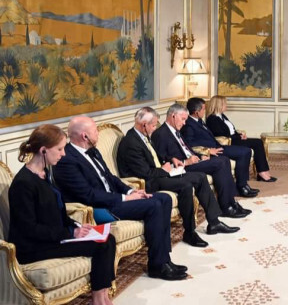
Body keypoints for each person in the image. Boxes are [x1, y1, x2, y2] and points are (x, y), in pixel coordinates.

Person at [53, 116, 187, 281]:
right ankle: (158, 266)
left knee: (164, 199)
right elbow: (88, 195)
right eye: (95, 131)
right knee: (154, 205)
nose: (98, 134)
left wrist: (131, 192)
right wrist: (123, 198)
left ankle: (164, 259)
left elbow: (111, 177)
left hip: (114, 199)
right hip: (101, 208)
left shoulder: (93, 150)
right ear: (84, 136)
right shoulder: (66, 160)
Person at [9, 124, 116, 305]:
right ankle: (98, 300)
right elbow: (29, 229)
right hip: (33, 247)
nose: (63, 154)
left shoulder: (45, 172)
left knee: (108, 239)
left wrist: (78, 226)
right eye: (59, 149)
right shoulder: (23, 184)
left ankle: (103, 296)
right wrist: (70, 234)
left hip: (53, 237)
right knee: (101, 245)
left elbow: (57, 211)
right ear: (43, 150)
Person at [116, 106, 240, 242]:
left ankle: (214, 222)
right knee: (185, 185)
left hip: (159, 174)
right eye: (153, 125)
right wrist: (165, 170)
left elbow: (156, 158)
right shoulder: (131, 143)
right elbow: (145, 173)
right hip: (149, 181)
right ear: (144, 125)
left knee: (200, 177)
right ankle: (189, 232)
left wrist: (171, 160)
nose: (154, 128)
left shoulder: (144, 135)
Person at [151, 104, 252, 218]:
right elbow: (162, 158)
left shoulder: (176, 130)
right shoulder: (160, 134)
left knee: (223, 160)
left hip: (193, 161)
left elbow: (187, 148)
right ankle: (226, 207)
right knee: (220, 162)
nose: (184, 123)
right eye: (183, 119)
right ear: (173, 116)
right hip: (183, 167)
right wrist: (186, 161)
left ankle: (231, 203)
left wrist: (200, 155)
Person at [182, 97, 258, 197]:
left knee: (246, 151)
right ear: (196, 112)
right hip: (212, 151)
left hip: (218, 146)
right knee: (243, 152)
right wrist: (208, 151)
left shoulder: (199, 120)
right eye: (204, 109)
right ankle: (241, 188)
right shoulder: (188, 125)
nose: (205, 111)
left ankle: (242, 185)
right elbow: (190, 145)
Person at [206, 95, 277, 182]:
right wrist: (238, 136)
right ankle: (262, 172)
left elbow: (231, 130)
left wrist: (239, 134)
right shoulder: (212, 119)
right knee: (257, 143)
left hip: (235, 139)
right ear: (218, 105)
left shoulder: (222, 116)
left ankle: (263, 171)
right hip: (229, 142)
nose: (226, 105)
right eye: (224, 104)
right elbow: (223, 134)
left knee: (258, 142)